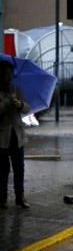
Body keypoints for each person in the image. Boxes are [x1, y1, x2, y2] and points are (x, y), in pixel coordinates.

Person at [0, 60, 31, 209]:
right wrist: (7, 104)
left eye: (10, 74)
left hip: (17, 135)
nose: (8, 77)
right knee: (2, 169)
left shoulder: (17, 89)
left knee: (19, 168)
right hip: (2, 137)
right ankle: (2, 199)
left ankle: (20, 197)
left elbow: (27, 107)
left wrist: (20, 105)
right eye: (5, 73)